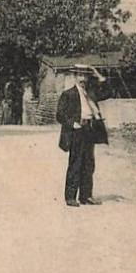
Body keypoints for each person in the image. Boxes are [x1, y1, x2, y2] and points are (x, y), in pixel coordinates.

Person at [56, 64, 110, 206]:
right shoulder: (68, 94)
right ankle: (70, 197)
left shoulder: (91, 93)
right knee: (76, 162)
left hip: (89, 130)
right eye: (80, 75)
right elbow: (59, 115)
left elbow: (108, 92)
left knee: (89, 164)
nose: (82, 79)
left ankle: (86, 196)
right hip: (77, 131)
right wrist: (72, 123)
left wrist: (97, 74)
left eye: (85, 76)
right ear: (75, 77)